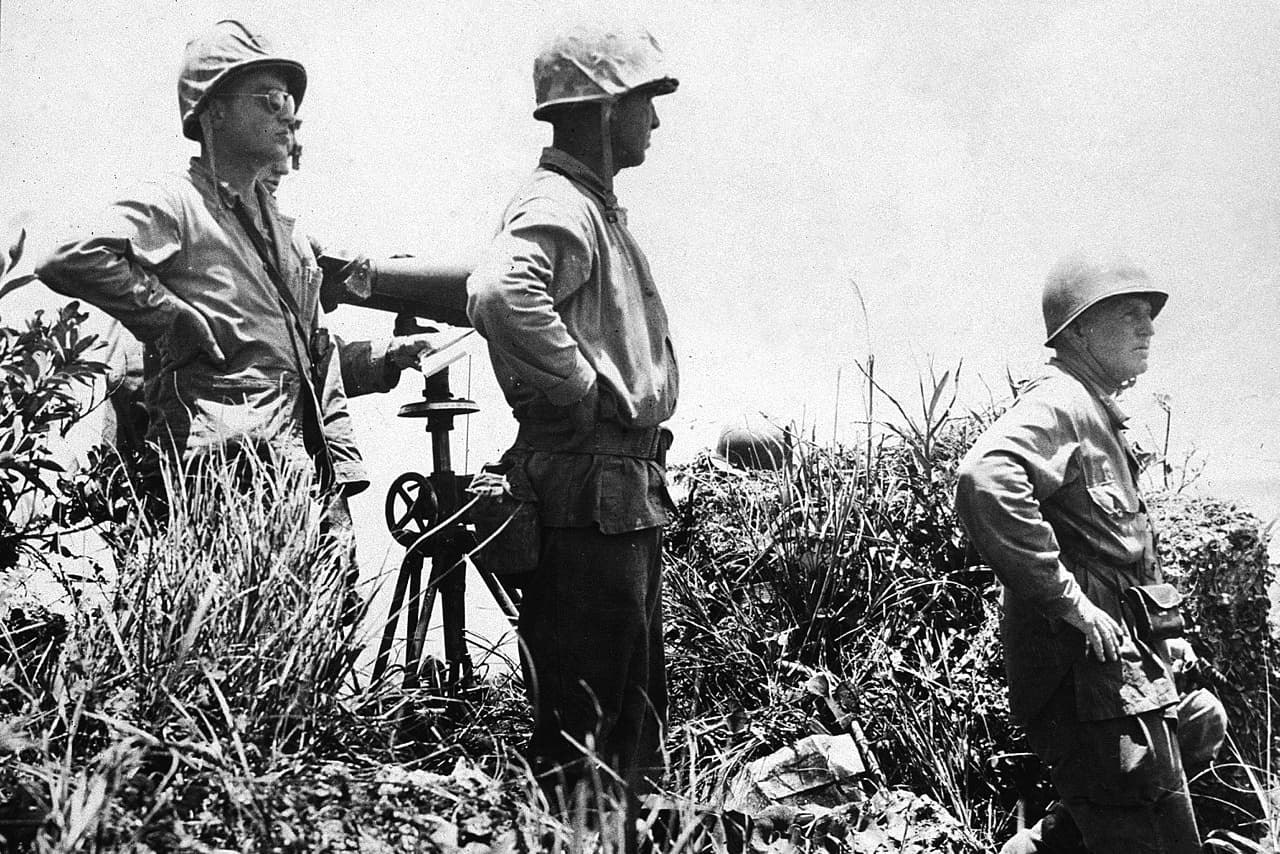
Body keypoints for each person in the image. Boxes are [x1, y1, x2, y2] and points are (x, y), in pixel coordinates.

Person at [466, 22, 680, 808]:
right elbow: (499, 292)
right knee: (588, 730)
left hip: (617, 489)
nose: (653, 122)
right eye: (643, 102)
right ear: (603, 108)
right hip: (589, 487)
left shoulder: (587, 208)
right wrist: (580, 390)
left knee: (627, 717)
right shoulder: (560, 204)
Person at [37, 20, 365, 501]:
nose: (286, 115)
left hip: (300, 472)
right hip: (221, 476)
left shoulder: (283, 231)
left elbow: (313, 356)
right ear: (213, 113)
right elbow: (67, 255)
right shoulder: (177, 202)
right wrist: (171, 316)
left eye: (290, 102)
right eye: (269, 98)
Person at [955, 255, 1204, 853]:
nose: (1149, 330)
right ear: (1080, 329)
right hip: (1090, 682)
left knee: (1129, 801)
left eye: (1149, 317)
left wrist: (1164, 634)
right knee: (1148, 830)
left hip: (1122, 673)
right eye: (1131, 315)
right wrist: (1071, 604)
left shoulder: (1097, 414)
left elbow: (1122, 551)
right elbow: (985, 477)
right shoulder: (1062, 403)